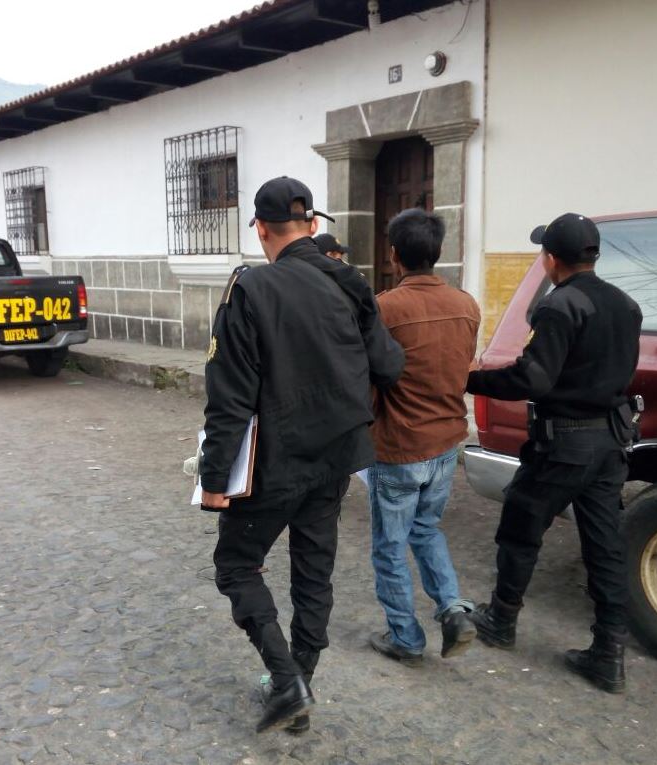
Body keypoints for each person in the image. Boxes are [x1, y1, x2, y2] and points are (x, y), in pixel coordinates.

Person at [201, 176, 404, 733]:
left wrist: (215, 478)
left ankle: (287, 680)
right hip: (337, 457)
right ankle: (302, 682)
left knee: (236, 565)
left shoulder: (251, 288)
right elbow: (388, 365)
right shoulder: (348, 283)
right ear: (312, 227)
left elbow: (231, 395)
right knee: (314, 573)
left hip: (278, 460)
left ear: (261, 229)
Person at [466, 212, 642, 693]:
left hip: (564, 443)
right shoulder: (626, 304)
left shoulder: (560, 305)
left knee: (521, 528)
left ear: (550, 259)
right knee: (605, 546)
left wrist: (471, 379)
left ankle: (500, 621)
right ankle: (609, 655)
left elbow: (533, 378)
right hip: (611, 443)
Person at [365, 209, 481, 666]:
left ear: (394, 254)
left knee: (390, 545)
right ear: (438, 253)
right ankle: (452, 608)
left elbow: (369, 378)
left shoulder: (384, 308)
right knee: (426, 528)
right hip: (446, 441)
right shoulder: (467, 305)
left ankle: (406, 637)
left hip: (399, 445)